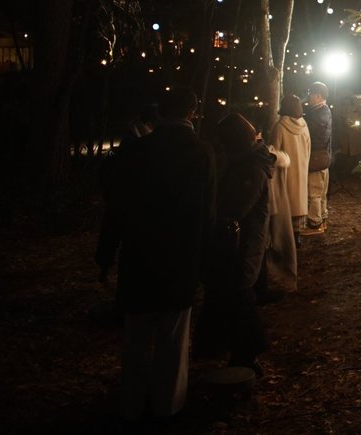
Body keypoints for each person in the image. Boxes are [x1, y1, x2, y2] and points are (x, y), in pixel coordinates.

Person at [94, 87, 213, 423]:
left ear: (160, 113)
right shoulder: (201, 153)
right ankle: (168, 407)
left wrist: (105, 255)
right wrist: (207, 264)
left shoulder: (136, 152)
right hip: (180, 258)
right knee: (173, 340)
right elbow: (208, 214)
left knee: (135, 338)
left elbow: (116, 208)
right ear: (192, 112)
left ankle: (131, 405)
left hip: (139, 256)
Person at [198, 113, 275, 374]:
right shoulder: (245, 163)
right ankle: (230, 348)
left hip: (242, 245)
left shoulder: (251, 169)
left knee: (240, 296)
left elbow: (236, 207)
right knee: (233, 295)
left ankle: (246, 354)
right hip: (238, 244)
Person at [267, 94, 309, 287]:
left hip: (285, 171)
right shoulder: (304, 125)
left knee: (287, 202)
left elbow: (274, 152)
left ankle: (289, 240)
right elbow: (308, 148)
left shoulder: (279, 126)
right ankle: (298, 233)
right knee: (298, 199)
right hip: (301, 167)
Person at [302, 81, 333, 234]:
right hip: (322, 157)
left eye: (311, 93)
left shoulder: (319, 113)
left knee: (314, 192)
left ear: (318, 95)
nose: (309, 96)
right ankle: (322, 218)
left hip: (316, 157)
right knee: (321, 192)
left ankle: (315, 223)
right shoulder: (323, 111)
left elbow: (314, 134)